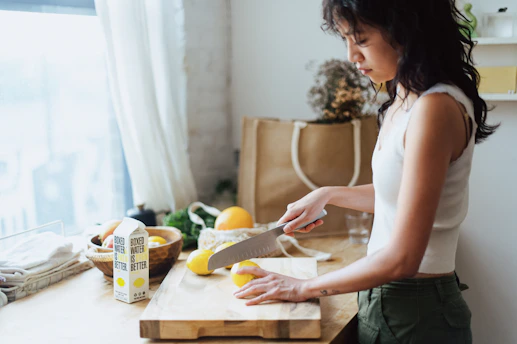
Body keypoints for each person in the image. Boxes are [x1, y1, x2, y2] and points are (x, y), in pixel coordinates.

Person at [233, 0, 499, 342]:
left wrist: (304, 288)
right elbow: (401, 196)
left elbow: (404, 258)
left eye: (360, 40)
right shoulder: (404, 97)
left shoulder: (436, 107)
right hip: (385, 301)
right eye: (346, 40)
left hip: (417, 313)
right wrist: (328, 194)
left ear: (406, 31)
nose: (351, 56)